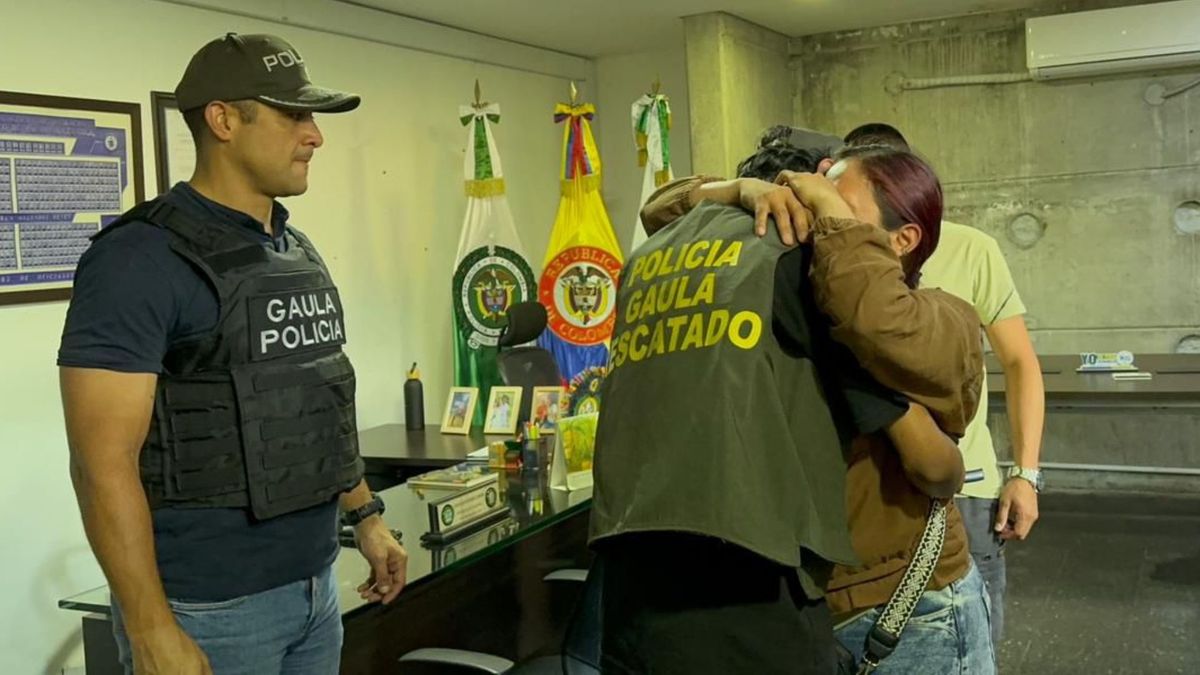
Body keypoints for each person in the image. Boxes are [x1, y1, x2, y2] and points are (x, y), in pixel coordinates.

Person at [58, 33, 406, 675]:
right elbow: (100, 464)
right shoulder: (138, 259)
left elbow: (317, 402)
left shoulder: (293, 249)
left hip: (316, 589)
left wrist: (367, 516)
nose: (315, 135)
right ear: (223, 120)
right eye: (293, 114)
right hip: (210, 609)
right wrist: (151, 628)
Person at [591, 138, 985, 674]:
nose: (805, 207)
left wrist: (826, 215)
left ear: (903, 239)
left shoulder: (933, 317)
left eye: (831, 201)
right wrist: (742, 190)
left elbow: (939, 469)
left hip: (906, 602)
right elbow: (663, 209)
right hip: (820, 602)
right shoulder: (795, 291)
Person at [844, 122, 1045, 645]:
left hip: (966, 489)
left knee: (967, 643)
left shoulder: (971, 249)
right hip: (867, 495)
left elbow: (1020, 361)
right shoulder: (828, 254)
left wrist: (1025, 473)